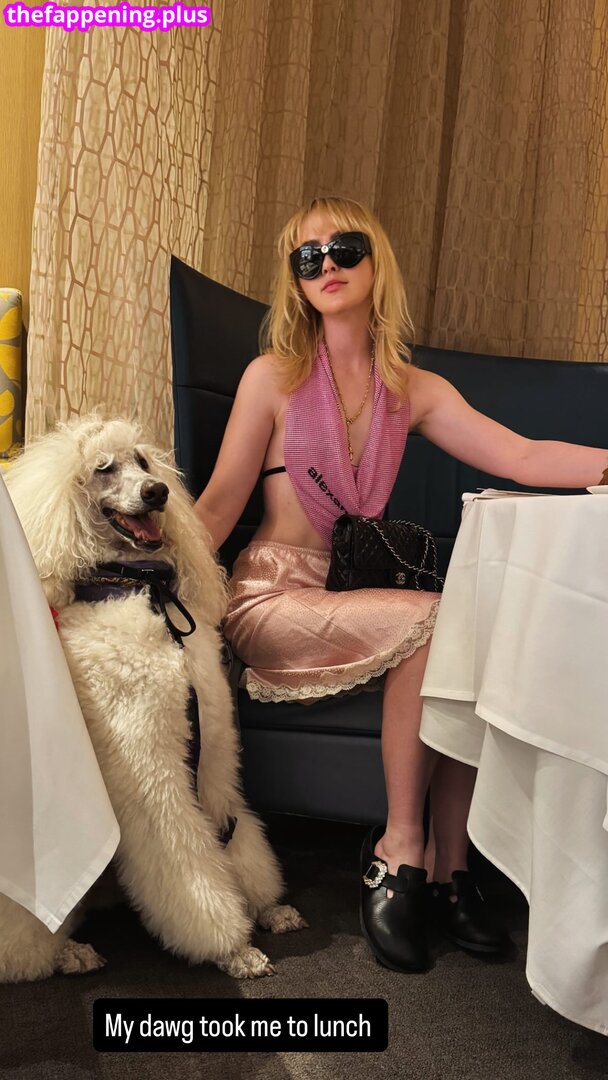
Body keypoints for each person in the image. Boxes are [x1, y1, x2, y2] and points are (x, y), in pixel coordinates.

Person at [195, 195, 608, 974]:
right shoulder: (271, 378)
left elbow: (520, 456)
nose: (327, 264)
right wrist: (152, 583)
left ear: (375, 261)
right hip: (273, 597)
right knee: (443, 619)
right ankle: (399, 846)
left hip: (351, 597)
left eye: (344, 248)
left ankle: (452, 870)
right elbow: (216, 508)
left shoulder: (412, 390)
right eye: (308, 256)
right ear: (296, 280)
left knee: (472, 631)